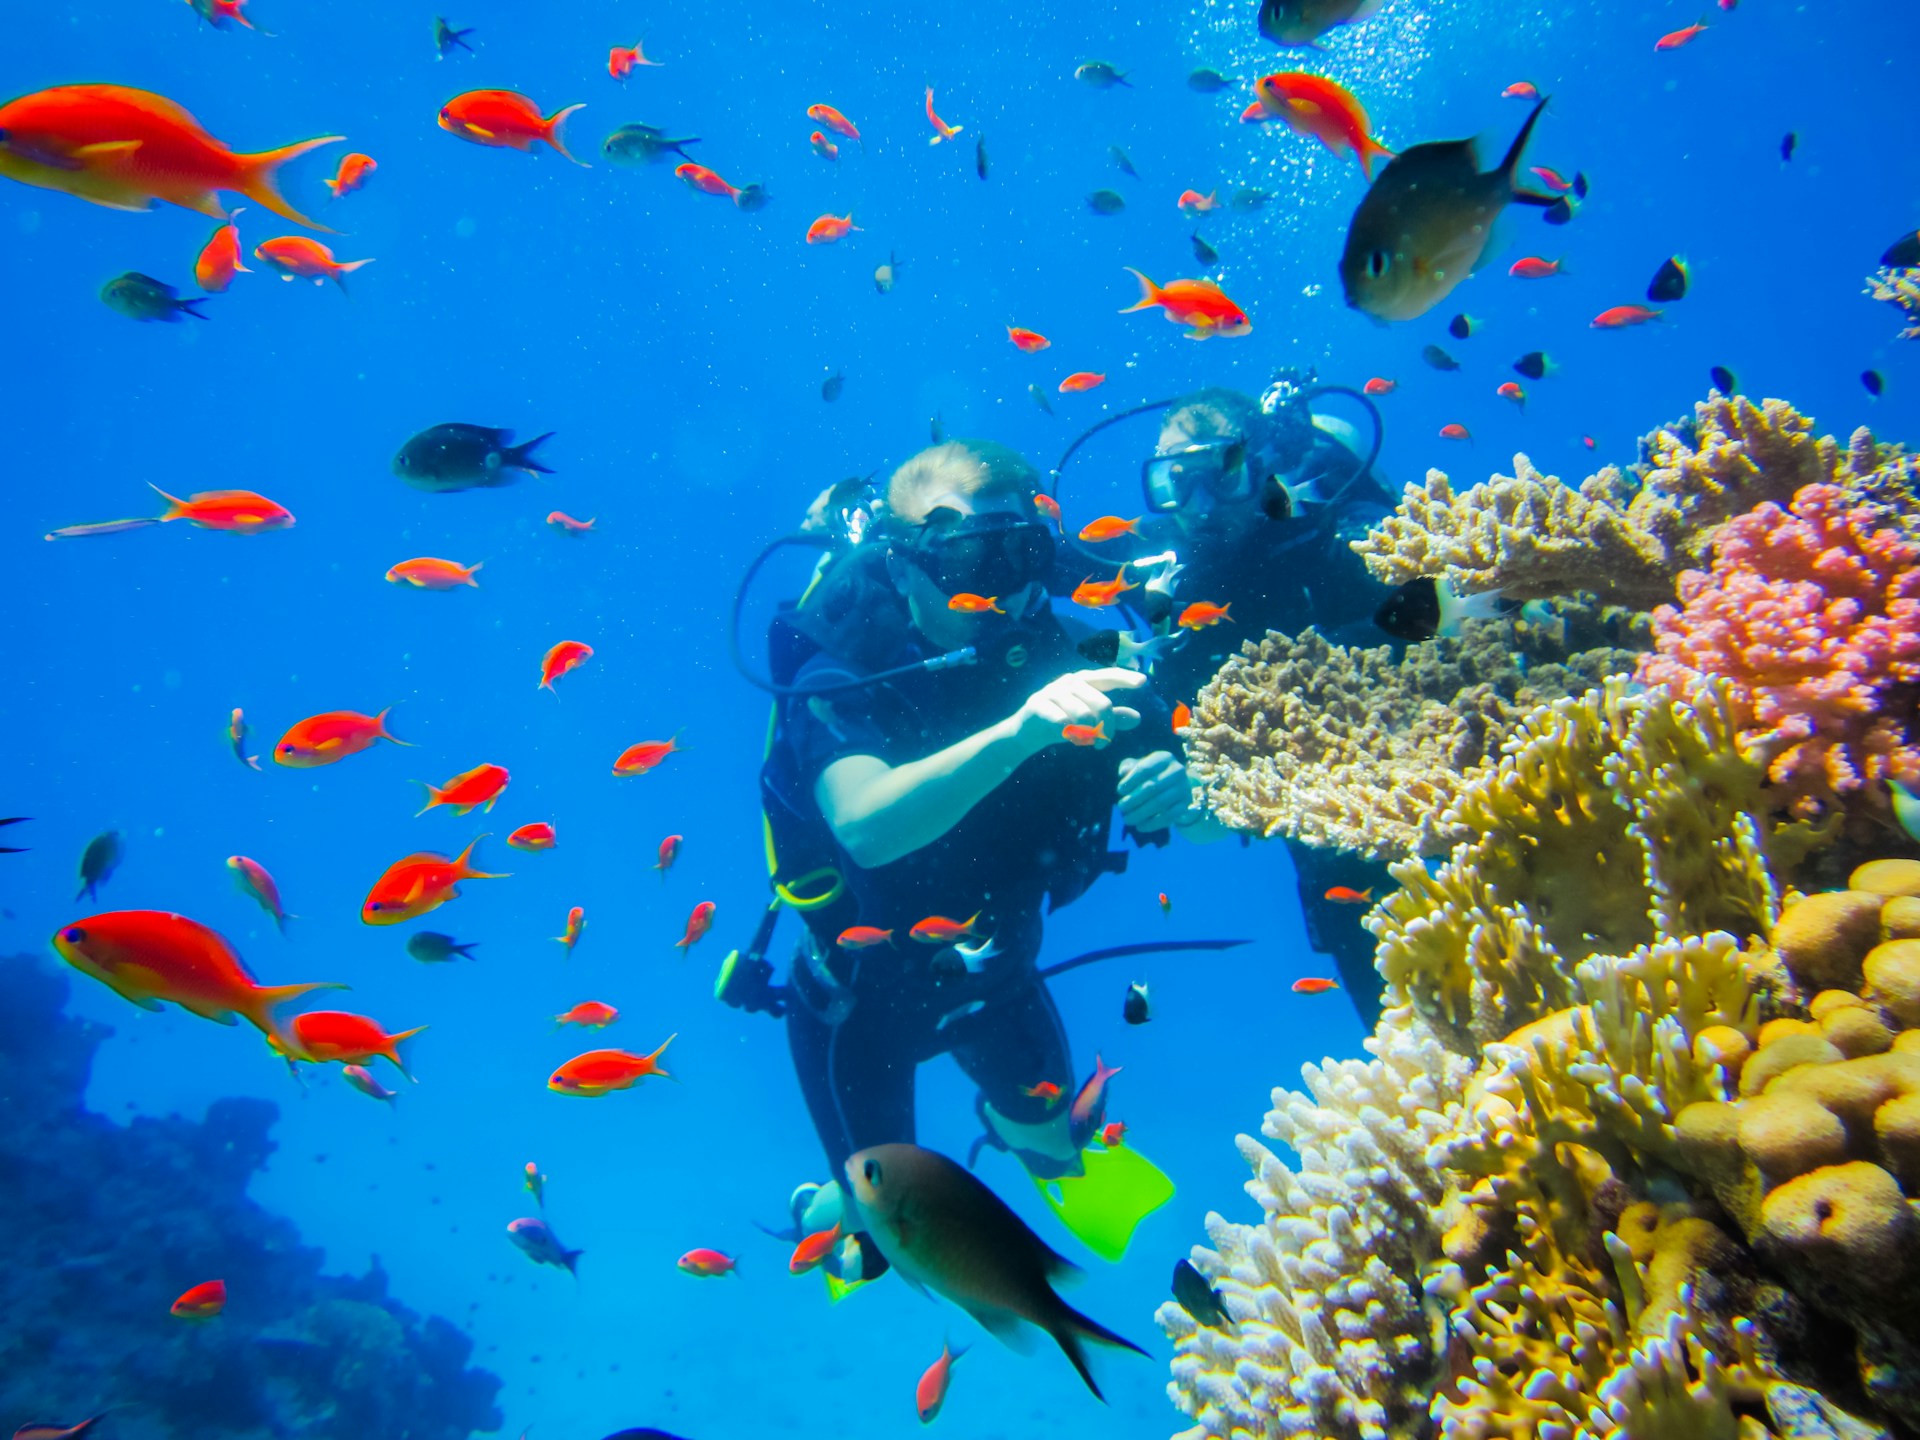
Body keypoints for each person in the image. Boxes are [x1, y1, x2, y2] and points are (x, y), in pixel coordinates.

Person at [759, 439, 1222, 1271]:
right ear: (903, 569)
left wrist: (1191, 800)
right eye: (974, 556)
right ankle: (821, 1211)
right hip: (857, 998)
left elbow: (1211, 820)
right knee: (878, 1240)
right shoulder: (838, 661)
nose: (1005, 589)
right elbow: (865, 824)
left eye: (1022, 554)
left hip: (997, 968)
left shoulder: (1071, 657)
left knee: (1053, 1143)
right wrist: (1022, 732)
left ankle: (1021, 1148)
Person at [1136, 380, 1401, 1022]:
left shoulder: (1326, 531)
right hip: (1316, 824)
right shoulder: (1158, 560)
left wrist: (1292, 677)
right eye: (1176, 482)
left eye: (1222, 478)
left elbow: (1413, 622)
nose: (1197, 506)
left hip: (1405, 762)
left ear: (1263, 469)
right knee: (1373, 970)